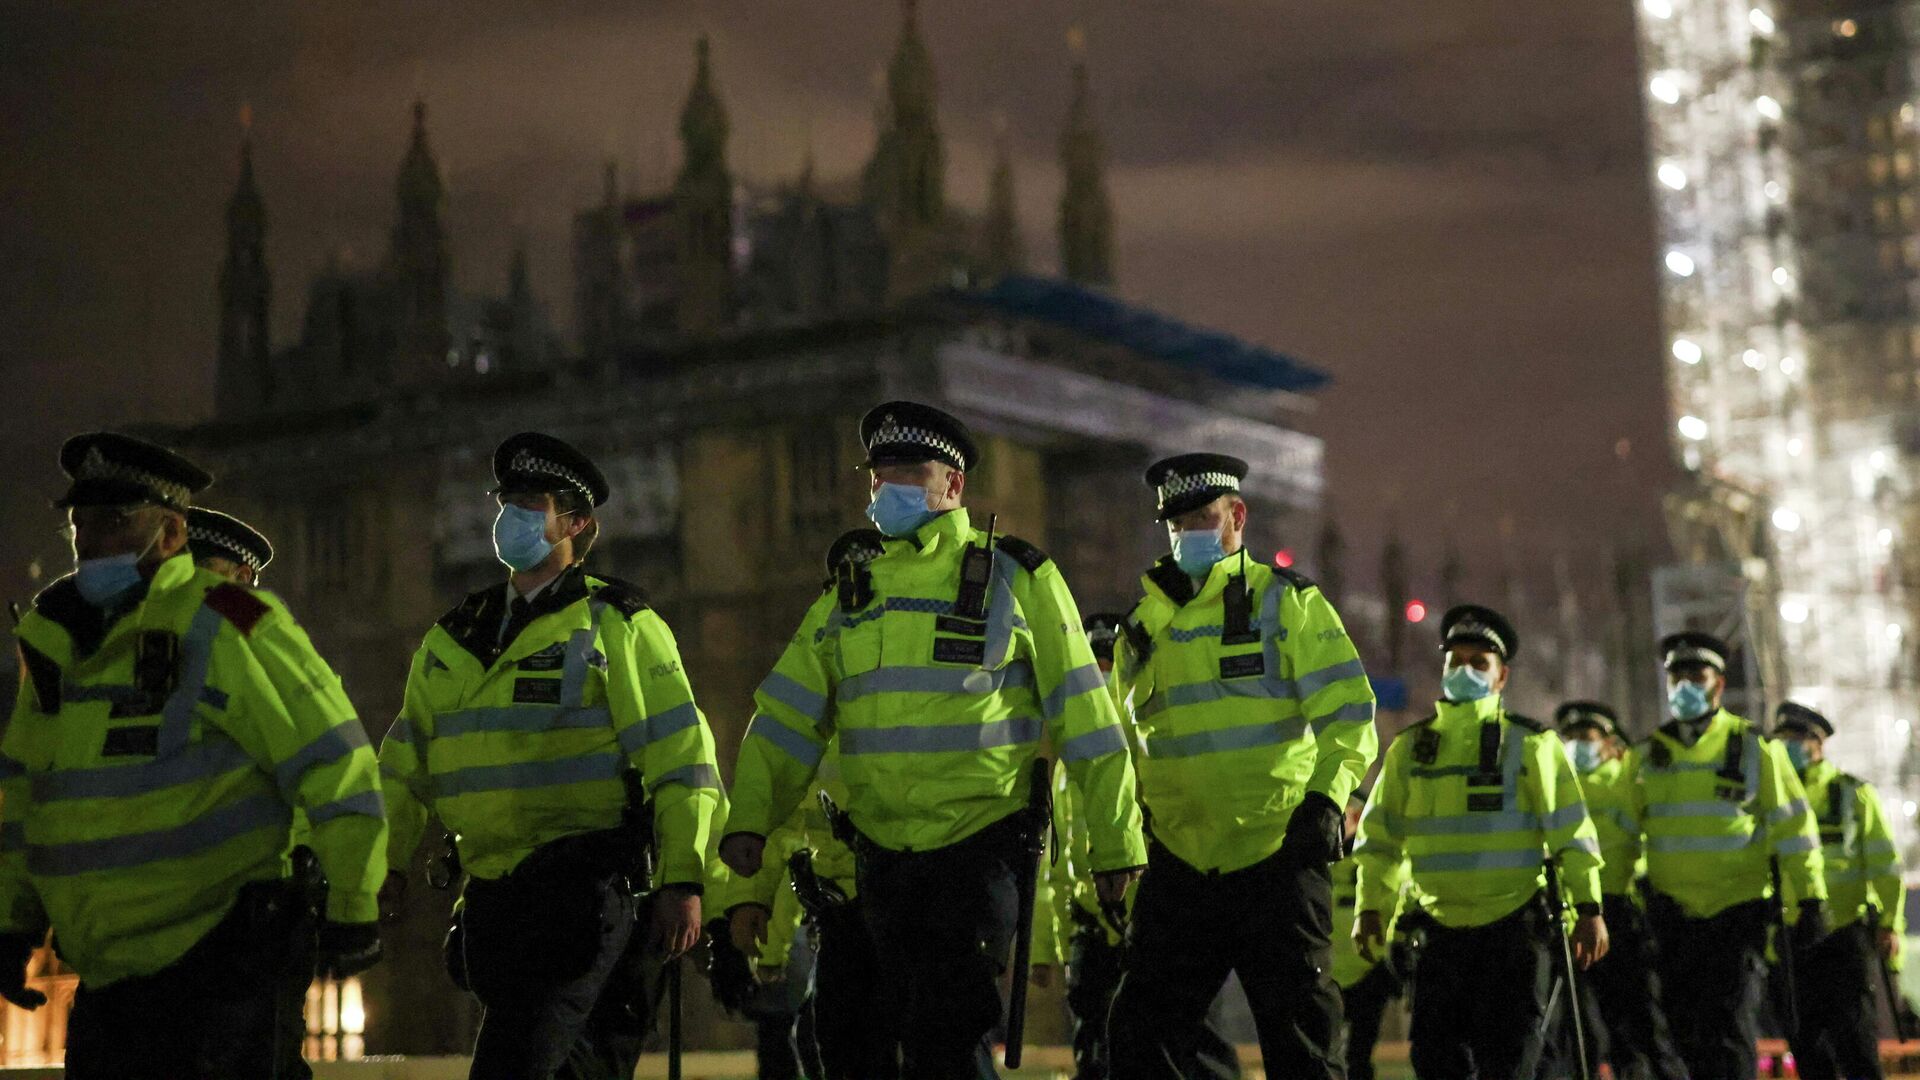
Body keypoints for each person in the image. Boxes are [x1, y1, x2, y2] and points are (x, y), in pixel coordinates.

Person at [722, 401, 1146, 1078]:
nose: (889, 486)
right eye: (880, 472)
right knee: (859, 1049)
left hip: (978, 854)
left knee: (944, 1044)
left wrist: (1116, 840)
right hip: (881, 863)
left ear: (954, 486)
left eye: (910, 471)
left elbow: (1085, 716)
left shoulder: (1017, 577)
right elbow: (784, 721)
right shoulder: (851, 595)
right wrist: (749, 821)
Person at [1, 432, 387, 1079]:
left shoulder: (224, 621)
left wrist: (353, 907)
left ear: (173, 534)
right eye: (82, 523)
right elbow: (26, 799)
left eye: (117, 522)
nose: (92, 542)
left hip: (216, 966)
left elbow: (336, 761)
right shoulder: (53, 642)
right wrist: (12, 923)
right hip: (105, 978)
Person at [377, 432, 722, 1080]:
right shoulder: (454, 638)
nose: (513, 517)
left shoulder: (614, 624)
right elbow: (403, 765)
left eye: (532, 502)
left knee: (510, 1066)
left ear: (577, 521)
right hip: (491, 901)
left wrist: (684, 877)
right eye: (507, 501)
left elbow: (681, 755)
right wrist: (382, 863)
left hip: (579, 895)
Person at [1106, 453, 1378, 1080]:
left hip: (1276, 861)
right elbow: (1124, 749)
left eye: (1201, 517)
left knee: (1303, 1054)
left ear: (1237, 516)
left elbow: (1350, 713)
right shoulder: (1142, 629)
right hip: (1179, 866)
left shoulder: (1288, 604)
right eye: (1176, 523)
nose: (1187, 534)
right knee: (1140, 1041)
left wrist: (1325, 800)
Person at [1353, 604, 1607, 1080]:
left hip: (1511, 935)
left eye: (1479, 662)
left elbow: (1572, 832)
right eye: (1456, 660)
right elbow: (1379, 840)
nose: (1465, 670)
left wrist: (1589, 909)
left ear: (1502, 675)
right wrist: (1372, 908)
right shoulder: (1411, 749)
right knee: (1434, 1063)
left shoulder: (1531, 745)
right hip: (1439, 937)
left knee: (1508, 1066)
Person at [721, 529, 896, 1080]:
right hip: (842, 906)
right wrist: (749, 897)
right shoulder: (820, 683)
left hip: (920, 890)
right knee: (835, 1041)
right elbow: (780, 815)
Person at [1040, 612, 1241, 1080]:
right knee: (1100, 1045)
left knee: (1180, 1037)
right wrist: (1052, 943)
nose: (1104, 670)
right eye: (1096, 660)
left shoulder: (1152, 739)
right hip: (1093, 924)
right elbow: (1056, 861)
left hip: (1156, 916)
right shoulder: (1071, 765)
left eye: (1111, 658)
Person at [1624, 631, 1827, 1080]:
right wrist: (1606, 902)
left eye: (1696, 676)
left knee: (1728, 1030)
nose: (1685, 687)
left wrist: (1810, 899)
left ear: (1718, 685)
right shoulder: (1646, 757)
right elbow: (1620, 837)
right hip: (1672, 919)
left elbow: (1793, 827)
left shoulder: (1754, 749)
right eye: (1676, 676)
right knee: (1681, 1033)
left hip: (1737, 918)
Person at [1546, 701, 1685, 1080]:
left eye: (1585, 737)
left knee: (1637, 1023)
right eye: (1569, 737)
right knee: (1572, 1028)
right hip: (1567, 914)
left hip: (1619, 913)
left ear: (1609, 742)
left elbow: (1653, 837)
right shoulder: (1555, 785)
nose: (1575, 744)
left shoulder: (1628, 780)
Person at [1773, 700, 1904, 1080]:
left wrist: (1890, 924)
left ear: (1818, 743)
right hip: (1790, 938)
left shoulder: (1852, 794)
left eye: (1795, 739)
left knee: (1855, 1041)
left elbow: (1884, 865)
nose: (1787, 747)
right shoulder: (1770, 797)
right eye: (1780, 739)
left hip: (1843, 936)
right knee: (1806, 1045)